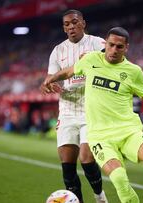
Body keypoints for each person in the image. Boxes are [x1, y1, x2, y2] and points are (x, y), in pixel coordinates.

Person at [42, 27, 143, 203]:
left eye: (119, 47)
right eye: (111, 45)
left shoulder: (133, 71)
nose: (114, 50)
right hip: (100, 137)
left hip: (128, 131)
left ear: (126, 48)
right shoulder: (91, 60)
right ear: (105, 44)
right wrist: (50, 79)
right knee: (120, 179)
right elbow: (68, 71)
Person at [40, 9, 108, 203]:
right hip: (68, 109)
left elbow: (112, 62)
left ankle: (99, 196)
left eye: (74, 22)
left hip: (91, 109)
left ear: (83, 23)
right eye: (67, 24)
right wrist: (50, 84)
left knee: (87, 159)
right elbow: (51, 77)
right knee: (67, 167)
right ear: (63, 28)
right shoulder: (58, 50)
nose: (71, 26)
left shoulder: (97, 43)